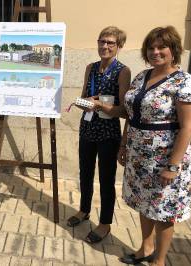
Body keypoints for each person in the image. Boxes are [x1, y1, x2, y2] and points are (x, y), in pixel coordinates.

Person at [118, 26, 191, 266]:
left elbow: (188, 127)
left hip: (166, 160)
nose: (156, 52)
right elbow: (132, 115)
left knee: (164, 212)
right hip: (138, 156)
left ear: (173, 50)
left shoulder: (186, 83)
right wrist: (123, 145)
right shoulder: (142, 76)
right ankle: (145, 247)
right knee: (144, 203)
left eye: (161, 47)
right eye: (151, 47)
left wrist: (172, 166)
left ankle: (159, 261)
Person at [66, 26, 131, 244]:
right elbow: (85, 97)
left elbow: (123, 110)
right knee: (84, 173)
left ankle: (104, 224)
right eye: (102, 41)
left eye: (110, 43)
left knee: (105, 179)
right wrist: (82, 103)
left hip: (108, 134)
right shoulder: (90, 68)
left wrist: (100, 105)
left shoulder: (123, 71)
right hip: (87, 129)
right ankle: (84, 210)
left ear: (119, 46)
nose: (105, 46)